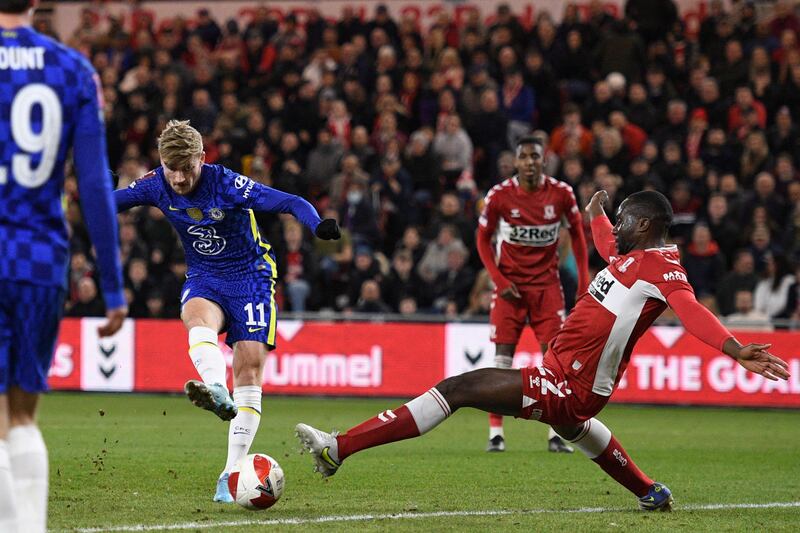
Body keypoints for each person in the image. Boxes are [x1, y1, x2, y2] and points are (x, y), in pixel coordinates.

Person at [296, 189, 789, 511]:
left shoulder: (664, 268)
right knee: (575, 429)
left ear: (641, 225)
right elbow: (606, 247)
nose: (614, 227)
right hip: (562, 371)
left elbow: (691, 309)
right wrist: (597, 215)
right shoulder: (633, 256)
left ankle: (339, 448)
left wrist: (734, 348)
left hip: (570, 382)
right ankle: (649, 492)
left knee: (459, 388)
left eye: (621, 220)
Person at [114, 120, 340, 502]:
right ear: (161, 163)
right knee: (195, 317)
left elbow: (289, 202)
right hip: (205, 275)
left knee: (249, 366)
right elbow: (107, 204)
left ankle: (230, 472)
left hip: (250, 275)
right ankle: (216, 388)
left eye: (188, 168)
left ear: (202, 158)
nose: (181, 178)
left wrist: (317, 225)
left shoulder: (226, 184)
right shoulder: (155, 183)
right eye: (173, 169)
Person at [0, 2, 127, 531]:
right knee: (22, 415)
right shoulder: (74, 69)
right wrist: (113, 287)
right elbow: (95, 185)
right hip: (39, 260)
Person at [476, 136, 589, 453]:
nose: (529, 161)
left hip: (547, 288)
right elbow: (482, 240)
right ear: (516, 162)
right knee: (502, 362)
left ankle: (556, 434)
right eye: (523, 156)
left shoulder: (562, 194)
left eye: (534, 156)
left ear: (544, 160)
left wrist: (583, 281)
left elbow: (578, 236)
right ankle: (496, 435)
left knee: (555, 362)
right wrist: (498, 281)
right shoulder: (499, 196)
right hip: (510, 289)